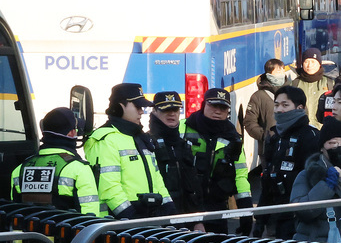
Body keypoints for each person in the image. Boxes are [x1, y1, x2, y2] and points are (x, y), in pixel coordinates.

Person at [85, 84, 175, 219]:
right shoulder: (106, 139)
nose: (141, 111)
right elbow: (109, 187)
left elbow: (157, 180)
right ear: (121, 107)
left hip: (147, 217)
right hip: (120, 222)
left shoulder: (139, 137)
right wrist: (130, 217)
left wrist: (169, 209)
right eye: (137, 106)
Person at [181, 88, 253, 234]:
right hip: (185, 207)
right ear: (204, 105)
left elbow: (240, 175)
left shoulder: (233, 138)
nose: (217, 111)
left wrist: (246, 212)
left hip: (217, 208)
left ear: (228, 111)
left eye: (223, 107)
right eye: (213, 106)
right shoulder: (183, 128)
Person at [11, 108, 100, 215]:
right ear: (71, 134)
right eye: (75, 129)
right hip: (67, 230)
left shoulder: (19, 169)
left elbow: (15, 213)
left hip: (29, 231)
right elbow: (90, 218)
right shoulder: (79, 169)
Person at [259, 86, 320, 238]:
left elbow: (313, 179)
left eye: (285, 105)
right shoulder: (276, 137)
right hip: (274, 211)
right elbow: (268, 177)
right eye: (276, 105)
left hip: (296, 214)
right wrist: (260, 220)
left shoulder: (310, 136)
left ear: (300, 108)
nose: (279, 110)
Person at [148, 92, 203, 217]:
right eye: (166, 109)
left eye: (175, 109)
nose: (171, 113)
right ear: (155, 111)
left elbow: (193, 187)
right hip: (160, 219)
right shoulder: (148, 144)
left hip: (187, 218)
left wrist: (198, 220)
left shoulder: (184, 144)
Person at [243, 59, 287, 175]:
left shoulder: (294, 93)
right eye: (277, 71)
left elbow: (303, 115)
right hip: (267, 150)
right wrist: (265, 135)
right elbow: (249, 122)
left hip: (290, 148)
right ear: (269, 74)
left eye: (283, 70)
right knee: (269, 182)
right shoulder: (258, 96)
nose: (281, 73)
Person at [292, 47, 334, 128]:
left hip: (323, 130)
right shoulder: (295, 83)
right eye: (306, 62)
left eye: (313, 62)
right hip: (301, 130)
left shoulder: (329, 83)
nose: (309, 65)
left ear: (319, 64)